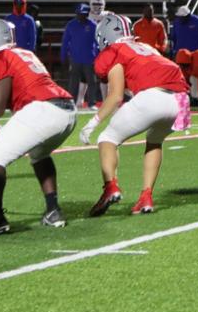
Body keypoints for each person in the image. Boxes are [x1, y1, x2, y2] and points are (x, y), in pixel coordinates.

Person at [0, 19, 77, 232]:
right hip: (67, 110)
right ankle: (53, 210)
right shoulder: (24, 53)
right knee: (39, 154)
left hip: (43, 111)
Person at [80, 14, 190, 216]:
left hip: (153, 98)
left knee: (107, 138)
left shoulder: (114, 51)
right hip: (179, 100)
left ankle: (110, 187)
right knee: (154, 141)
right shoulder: (147, 47)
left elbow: (115, 96)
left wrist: (92, 122)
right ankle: (146, 197)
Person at [60, 4, 98, 108]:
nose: (80, 16)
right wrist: (63, 56)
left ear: (86, 14)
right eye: (79, 14)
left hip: (89, 59)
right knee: (73, 82)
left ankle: (92, 103)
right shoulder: (71, 25)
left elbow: (97, 43)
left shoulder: (93, 26)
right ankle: (71, 103)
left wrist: (98, 56)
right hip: (75, 59)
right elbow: (65, 42)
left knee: (91, 81)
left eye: (82, 14)